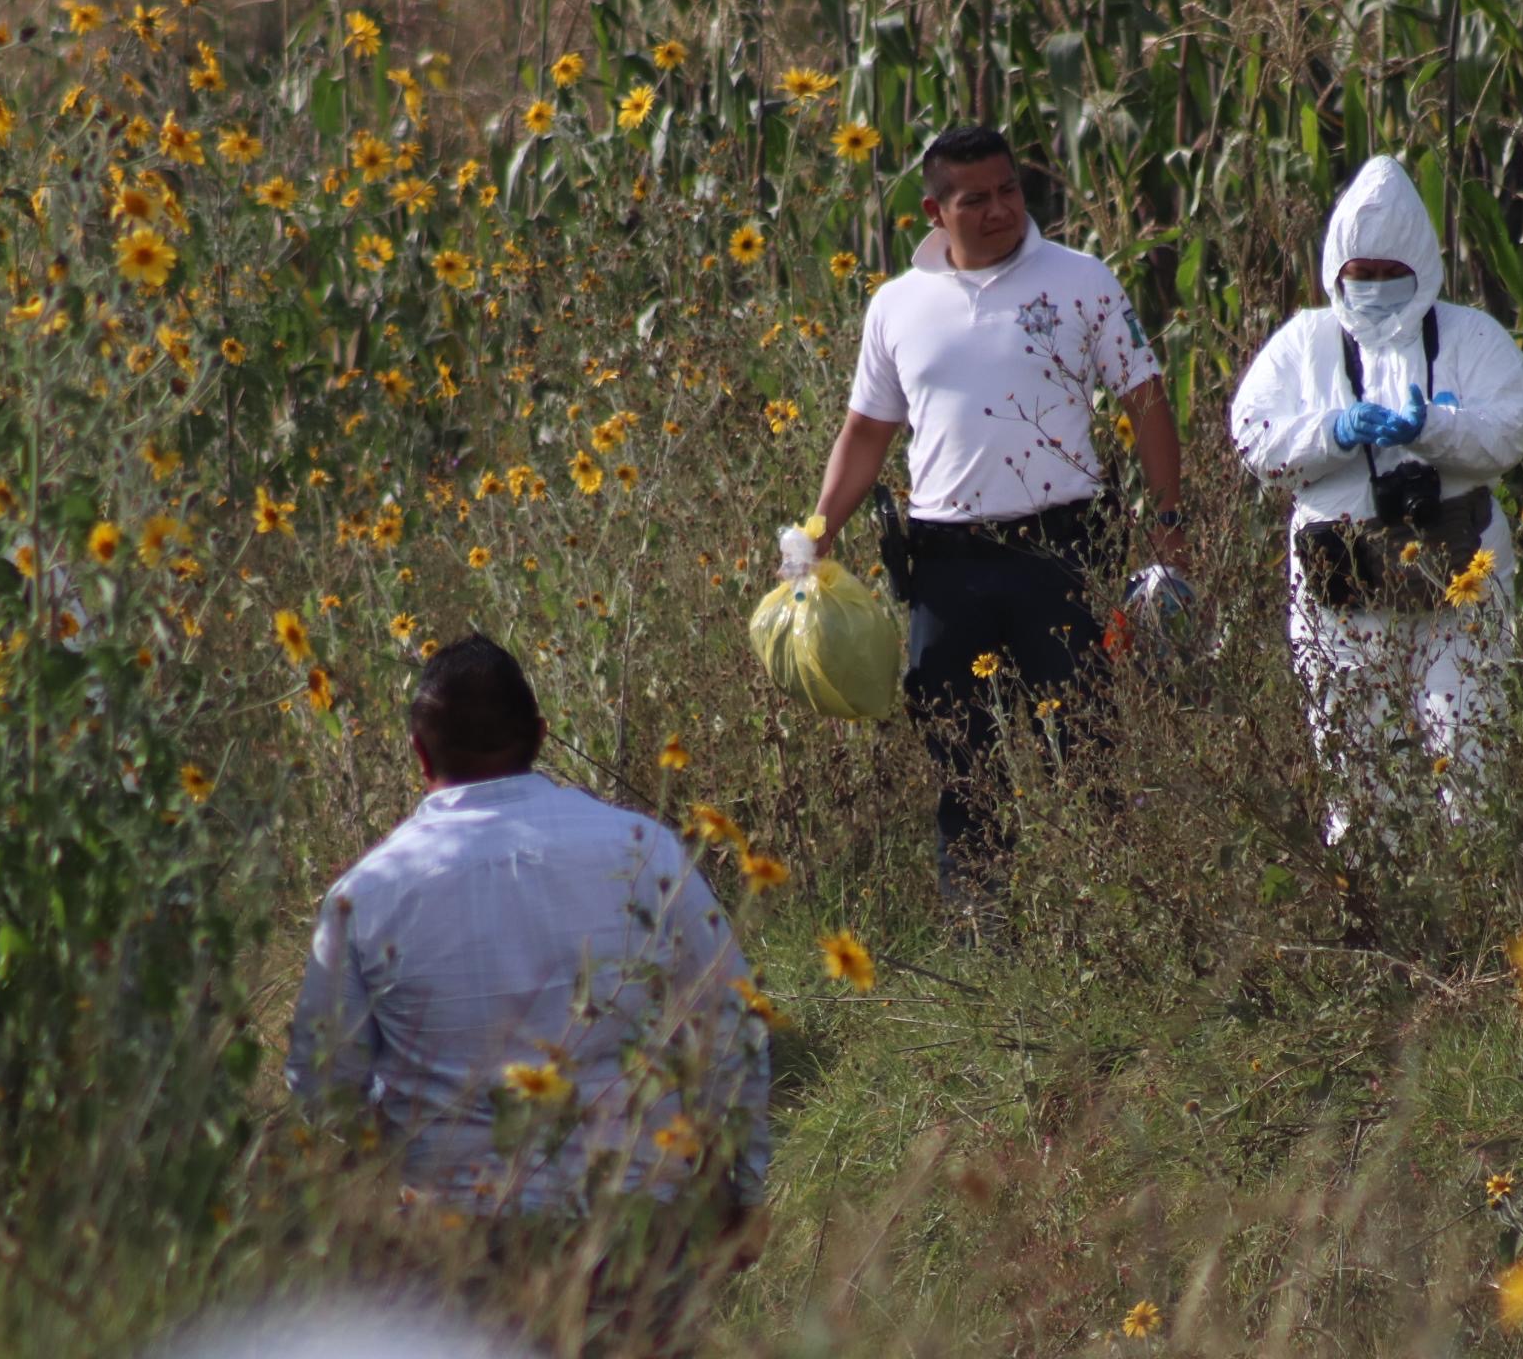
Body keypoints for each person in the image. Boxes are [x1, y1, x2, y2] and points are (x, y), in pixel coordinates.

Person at [810, 125, 1187, 906]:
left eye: (1009, 191)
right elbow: (867, 433)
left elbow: (1146, 400)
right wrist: (815, 534)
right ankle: (982, 931)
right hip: (946, 565)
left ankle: (1111, 924)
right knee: (960, 758)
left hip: (1063, 552)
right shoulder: (897, 307)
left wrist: (1170, 518)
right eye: (974, 199)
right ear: (933, 212)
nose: (998, 211)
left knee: (1085, 750)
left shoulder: (1082, 280)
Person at [286, 633, 770, 1236]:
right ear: (541, 736)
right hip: (640, 1224)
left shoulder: (365, 896)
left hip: (457, 1246)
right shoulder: (646, 851)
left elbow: (325, 1088)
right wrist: (743, 1189)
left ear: (420, 753)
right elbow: (733, 1025)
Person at [1229, 155, 1523, 845]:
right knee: (1357, 764)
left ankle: (1473, 907)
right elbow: (1254, 439)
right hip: (1341, 583)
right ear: (1337, 270)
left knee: (1470, 752)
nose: (1372, 289)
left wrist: (1435, 428)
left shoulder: (1470, 337)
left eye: (1390, 275)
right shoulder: (1304, 344)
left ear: (1421, 268)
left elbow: (1510, 430)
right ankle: (1376, 921)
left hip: (1459, 574)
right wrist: (1331, 433)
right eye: (1360, 275)